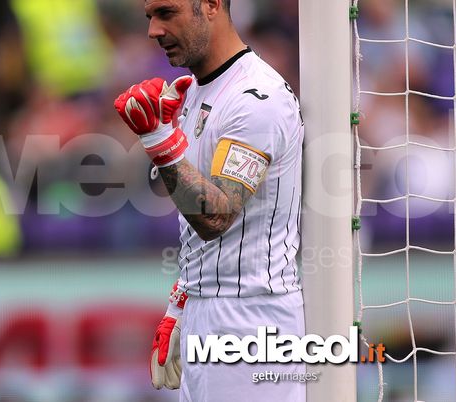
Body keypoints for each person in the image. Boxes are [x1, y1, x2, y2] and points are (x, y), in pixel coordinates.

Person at [113, 0, 305, 401]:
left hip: (252, 323)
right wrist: (181, 303)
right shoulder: (199, 90)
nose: (154, 31)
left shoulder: (257, 99)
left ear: (212, 5)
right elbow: (203, 237)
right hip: (212, 309)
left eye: (167, 13)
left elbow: (216, 217)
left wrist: (159, 141)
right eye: (150, 17)